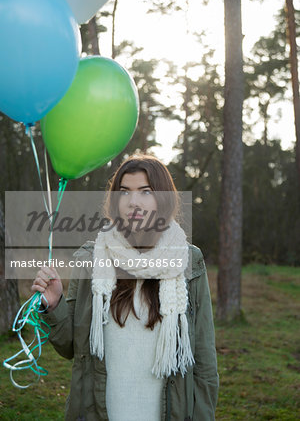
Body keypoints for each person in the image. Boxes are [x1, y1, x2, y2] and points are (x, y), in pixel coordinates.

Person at [32, 154, 219, 421]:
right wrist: (54, 304)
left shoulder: (188, 260)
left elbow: (204, 361)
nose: (133, 202)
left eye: (145, 192)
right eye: (125, 192)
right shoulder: (92, 258)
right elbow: (71, 347)